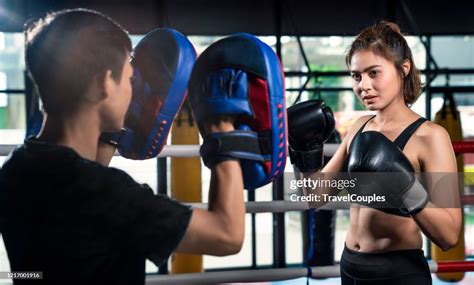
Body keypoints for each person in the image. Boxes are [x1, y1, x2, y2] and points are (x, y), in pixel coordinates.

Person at [0, 9, 245, 285]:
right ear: (105, 83)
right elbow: (227, 235)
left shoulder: (15, 169)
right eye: (129, 80)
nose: (133, 90)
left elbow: (79, 201)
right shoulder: (108, 194)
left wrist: (113, 128)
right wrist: (222, 131)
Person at [288, 21, 462, 284]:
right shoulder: (360, 127)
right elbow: (315, 195)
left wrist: (405, 188)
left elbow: (449, 236)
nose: (363, 86)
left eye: (373, 73)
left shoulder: (431, 137)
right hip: (350, 266)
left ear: (403, 69)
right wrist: (305, 150)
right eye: (356, 75)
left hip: (398, 272)